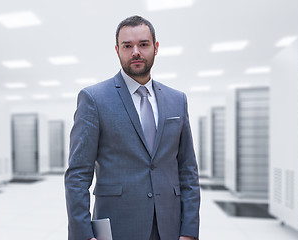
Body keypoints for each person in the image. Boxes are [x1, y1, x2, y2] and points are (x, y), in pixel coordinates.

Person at [64, 15, 200, 240]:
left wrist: (189, 231)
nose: (135, 51)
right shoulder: (94, 99)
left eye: (143, 44)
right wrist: (83, 235)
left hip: (170, 226)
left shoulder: (178, 100)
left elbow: (188, 170)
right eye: (127, 46)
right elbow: (78, 174)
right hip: (118, 225)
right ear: (117, 50)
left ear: (155, 48)